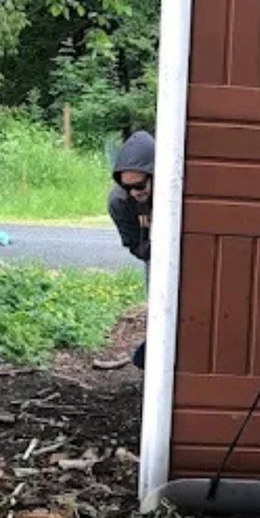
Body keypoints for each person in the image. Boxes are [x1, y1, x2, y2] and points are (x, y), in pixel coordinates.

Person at [108, 130, 153, 368]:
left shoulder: (173, 192)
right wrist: (152, 249)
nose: (135, 192)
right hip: (152, 258)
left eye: (140, 184)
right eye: (128, 187)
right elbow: (133, 243)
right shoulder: (119, 202)